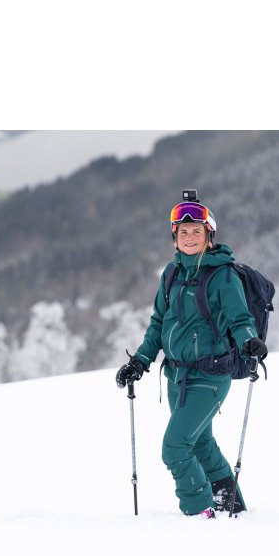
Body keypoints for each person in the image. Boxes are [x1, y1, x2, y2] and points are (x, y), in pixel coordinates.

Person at [116, 192, 267, 518]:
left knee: (175, 447)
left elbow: (241, 320)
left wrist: (250, 342)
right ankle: (232, 507)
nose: (189, 237)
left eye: (196, 231)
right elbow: (158, 324)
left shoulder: (223, 275)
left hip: (211, 376)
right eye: (182, 232)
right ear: (174, 237)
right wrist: (139, 362)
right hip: (177, 376)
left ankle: (200, 514)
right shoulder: (171, 274)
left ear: (208, 235)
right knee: (200, 444)